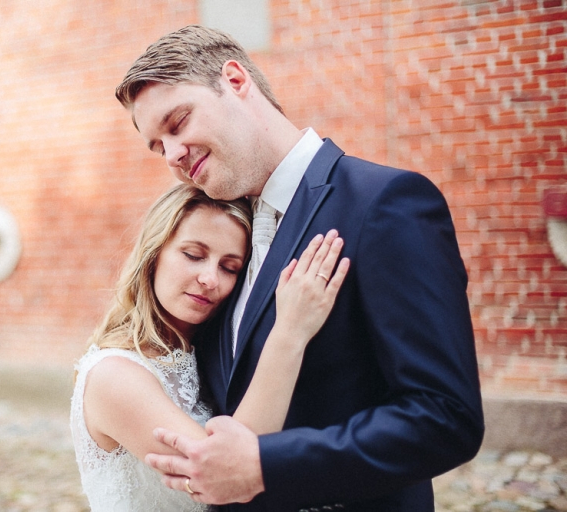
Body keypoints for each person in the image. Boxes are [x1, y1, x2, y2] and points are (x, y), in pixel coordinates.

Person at [115, 25, 485, 512]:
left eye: (178, 122)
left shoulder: (385, 204)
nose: (173, 156)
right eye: (158, 146)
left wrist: (267, 465)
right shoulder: (224, 238)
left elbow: (445, 417)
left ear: (235, 80)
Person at [70, 184, 349, 511]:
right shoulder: (113, 376)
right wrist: (290, 331)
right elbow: (230, 474)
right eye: (193, 255)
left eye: (229, 267)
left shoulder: (207, 353)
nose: (210, 279)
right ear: (154, 252)